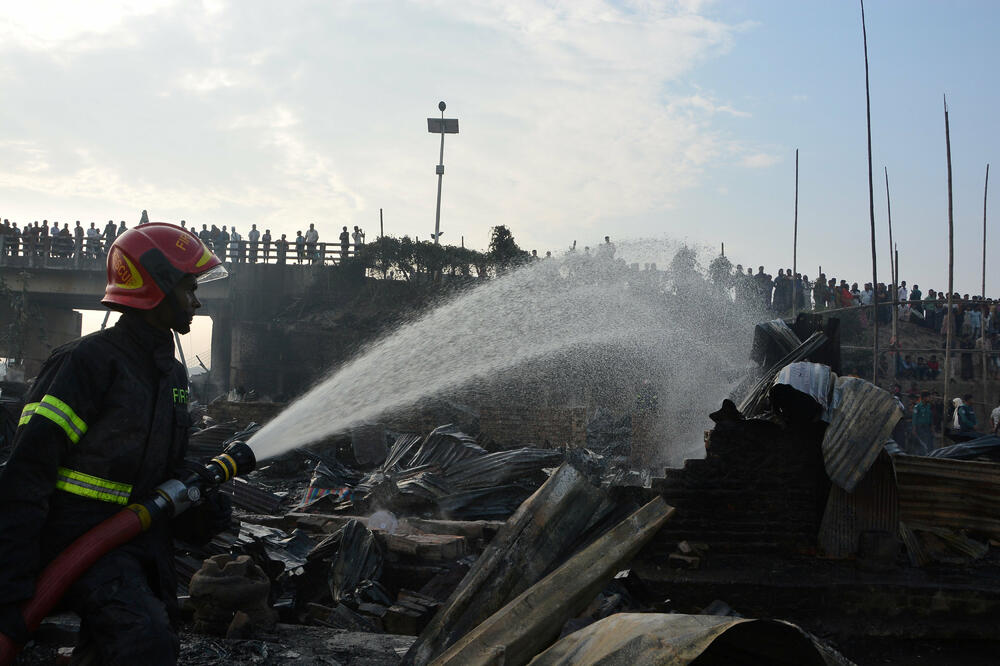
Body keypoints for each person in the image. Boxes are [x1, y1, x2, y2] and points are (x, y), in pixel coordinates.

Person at [0, 222, 231, 664]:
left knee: (140, 644)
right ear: (156, 288)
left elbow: (163, 469)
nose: (197, 301)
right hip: (78, 538)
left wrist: (198, 508)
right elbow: (27, 474)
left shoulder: (172, 374)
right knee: (143, 644)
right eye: (188, 288)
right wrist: (9, 590)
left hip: (140, 540)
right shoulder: (86, 363)